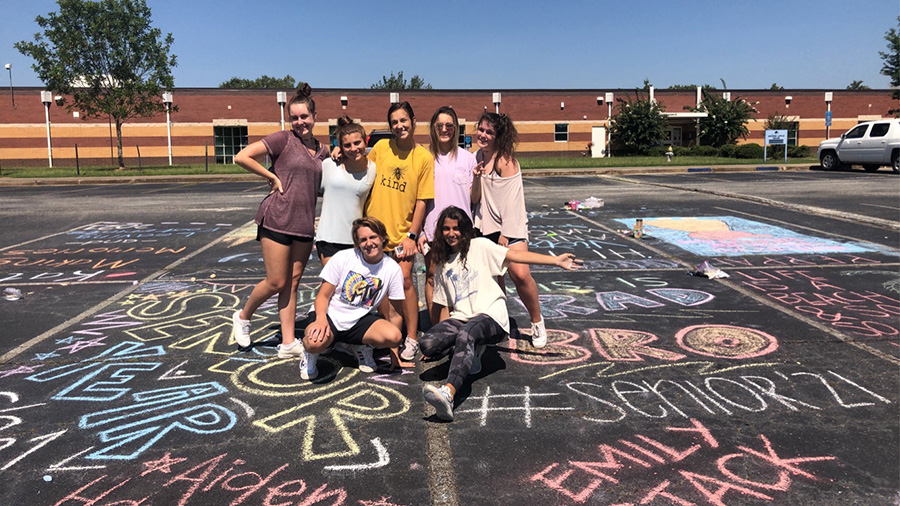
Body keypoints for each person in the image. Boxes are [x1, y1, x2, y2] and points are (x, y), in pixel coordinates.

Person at [420, 206, 582, 421]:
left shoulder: (481, 246)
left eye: (456, 228)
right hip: (462, 317)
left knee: (466, 334)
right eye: (446, 229)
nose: (451, 233)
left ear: (466, 230)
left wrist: (555, 260)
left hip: (491, 316)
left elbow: (516, 255)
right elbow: (443, 308)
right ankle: (470, 350)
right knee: (429, 344)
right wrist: (443, 343)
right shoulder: (442, 263)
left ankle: (448, 393)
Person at [231, 84, 329, 358]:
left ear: (314, 116)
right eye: (295, 118)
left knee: (293, 283)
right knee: (276, 281)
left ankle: (287, 343)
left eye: (304, 117)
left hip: (304, 224)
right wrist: (271, 177)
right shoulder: (283, 139)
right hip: (276, 218)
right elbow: (242, 156)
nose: (300, 122)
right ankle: (243, 316)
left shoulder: (323, 152)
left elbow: (326, 184)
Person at [365, 101, 435, 365]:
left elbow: (422, 200)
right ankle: (389, 334)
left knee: (405, 282)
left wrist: (412, 235)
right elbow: (361, 169)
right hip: (375, 233)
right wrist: (339, 150)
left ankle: (412, 337)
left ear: (414, 121)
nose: (399, 126)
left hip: (403, 233)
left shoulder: (423, 157)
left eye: (403, 120)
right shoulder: (382, 148)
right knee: (381, 286)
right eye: (394, 122)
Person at [471, 112, 548, 348]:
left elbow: (512, 201)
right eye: (481, 130)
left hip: (508, 227)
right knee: (494, 281)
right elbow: (475, 198)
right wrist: (475, 178)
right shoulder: (474, 157)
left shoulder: (506, 160)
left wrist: (505, 232)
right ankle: (501, 321)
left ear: (498, 136)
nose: (483, 135)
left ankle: (537, 321)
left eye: (489, 132)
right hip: (483, 226)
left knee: (520, 274)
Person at [299, 217, 405, 380]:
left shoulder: (392, 269)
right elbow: (323, 295)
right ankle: (309, 353)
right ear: (357, 243)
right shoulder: (343, 257)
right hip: (330, 315)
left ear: (383, 237)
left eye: (373, 237)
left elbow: (396, 314)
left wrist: (394, 353)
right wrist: (321, 319)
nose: (369, 243)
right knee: (314, 343)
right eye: (363, 239)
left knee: (394, 336)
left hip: (358, 321)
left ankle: (358, 345)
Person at [418, 106, 477, 327]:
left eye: (449, 126)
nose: (445, 130)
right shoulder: (424, 157)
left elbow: (473, 198)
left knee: (461, 281)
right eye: (440, 125)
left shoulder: (467, 159)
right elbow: (418, 198)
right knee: (433, 278)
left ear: (456, 129)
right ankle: (436, 329)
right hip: (433, 230)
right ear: (433, 129)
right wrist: (421, 231)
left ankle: (460, 327)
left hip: (461, 231)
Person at [315, 116, 377, 266]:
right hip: (329, 238)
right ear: (341, 147)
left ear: (365, 141)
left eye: (357, 143)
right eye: (347, 145)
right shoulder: (329, 165)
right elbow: (308, 187)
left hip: (357, 240)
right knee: (333, 285)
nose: (353, 148)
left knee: (353, 287)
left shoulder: (374, 168)